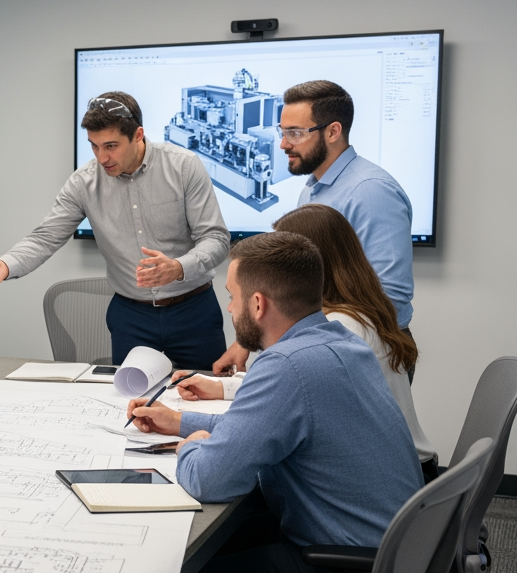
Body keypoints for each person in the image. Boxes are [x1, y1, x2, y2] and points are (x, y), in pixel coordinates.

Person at [125, 231, 423, 573]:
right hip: (395, 550)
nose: (229, 308)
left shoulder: (284, 366)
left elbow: (210, 478)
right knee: (231, 542)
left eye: (232, 297)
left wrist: (190, 448)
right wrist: (181, 423)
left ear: (258, 305)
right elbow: (275, 429)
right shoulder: (339, 343)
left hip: (349, 566)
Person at [0, 91, 230, 369]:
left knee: (209, 398)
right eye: (94, 146)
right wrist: (5, 265)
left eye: (111, 146)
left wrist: (178, 267)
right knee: (132, 404)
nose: (102, 157)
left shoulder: (183, 166)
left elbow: (216, 239)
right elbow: (45, 237)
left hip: (193, 311)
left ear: (138, 135)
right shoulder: (83, 183)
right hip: (131, 316)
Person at [174, 204, 438, 480]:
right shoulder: (353, 318)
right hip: (398, 479)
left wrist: (189, 444)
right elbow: (291, 391)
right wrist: (215, 393)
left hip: (387, 479)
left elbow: (286, 389)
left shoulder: (339, 329)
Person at [213, 80, 414, 376]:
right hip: (325, 349)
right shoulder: (312, 189)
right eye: (282, 133)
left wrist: (309, 344)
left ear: (333, 131)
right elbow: (293, 281)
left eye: (295, 133)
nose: (283, 144)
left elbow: (390, 298)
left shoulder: (371, 192)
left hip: (364, 355)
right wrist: (248, 339)